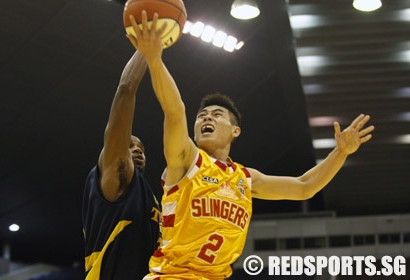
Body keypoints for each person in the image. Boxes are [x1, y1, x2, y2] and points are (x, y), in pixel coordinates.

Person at [128, 12, 375, 280]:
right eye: (202, 115)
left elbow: (305, 187)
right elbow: (175, 110)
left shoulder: (245, 179)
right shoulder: (186, 158)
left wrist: (340, 153)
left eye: (216, 114)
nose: (206, 117)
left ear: (236, 131)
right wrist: (154, 60)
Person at [82, 50, 161, 279]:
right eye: (129, 145)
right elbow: (126, 89)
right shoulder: (115, 179)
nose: (137, 150)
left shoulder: (151, 198)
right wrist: (147, 47)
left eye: (142, 148)